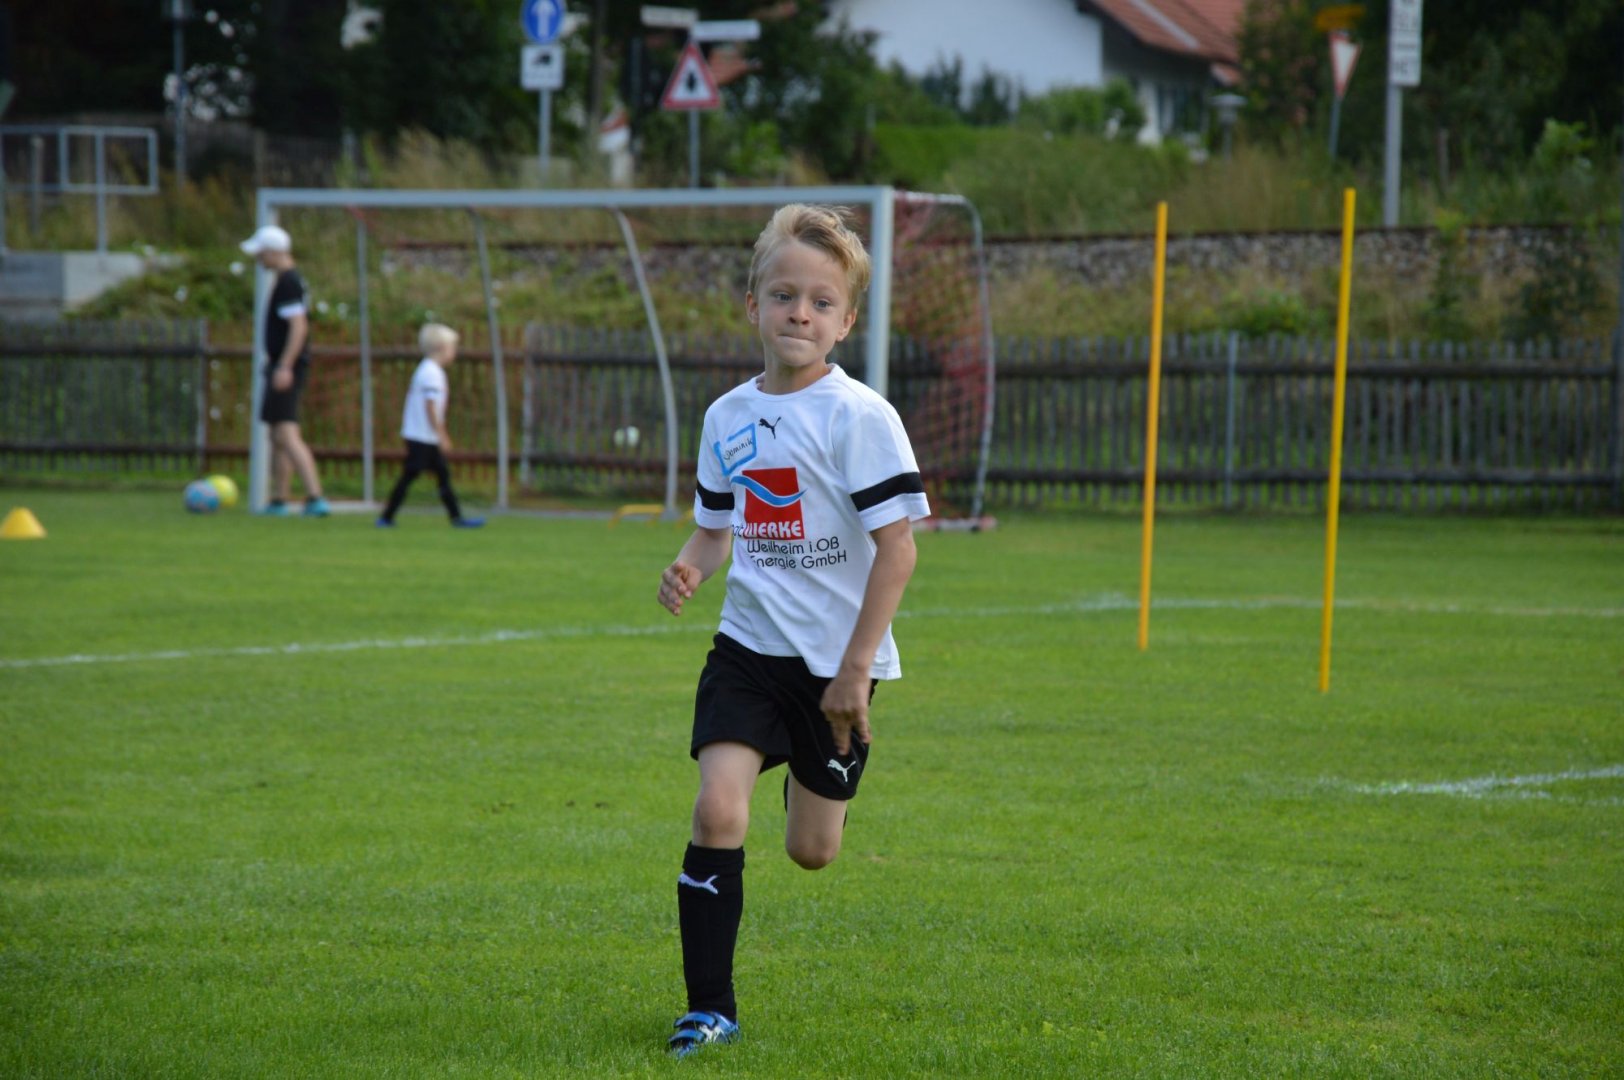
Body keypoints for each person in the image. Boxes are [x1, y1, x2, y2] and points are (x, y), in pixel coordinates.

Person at [655, 204, 930, 1059]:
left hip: (837, 668)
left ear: (846, 322)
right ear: (753, 306)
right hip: (747, 650)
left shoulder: (860, 418)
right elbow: (717, 527)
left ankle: (814, 764)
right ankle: (709, 1009)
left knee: (813, 851)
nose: (799, 314)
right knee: (716, 810)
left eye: (820, 302)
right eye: (783, 296)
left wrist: (854, 670)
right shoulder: (726, 417)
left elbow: (899, 551)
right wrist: (691, 565)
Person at [241, 224, 329, 517]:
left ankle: (315, 496)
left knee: (287, 433)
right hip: (281, 365)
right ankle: (279, 499)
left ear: (274, 252)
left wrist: (285, 366)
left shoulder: (289, 282)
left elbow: (298, 327)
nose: (258, 259)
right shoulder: (287, 280)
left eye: (261, 253)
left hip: (286, 366)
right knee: (277, 434)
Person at [375, 323, 484, 529]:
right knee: (411, 475)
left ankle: (456, 518)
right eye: (453, 347)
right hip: (422, 436)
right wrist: (442, 434)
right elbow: (431, 406)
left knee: (442, 476)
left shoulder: (428, 370)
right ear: (442, 348)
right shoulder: (431, 373)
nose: (454, 352)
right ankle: (386, 517)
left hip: (425, 436)